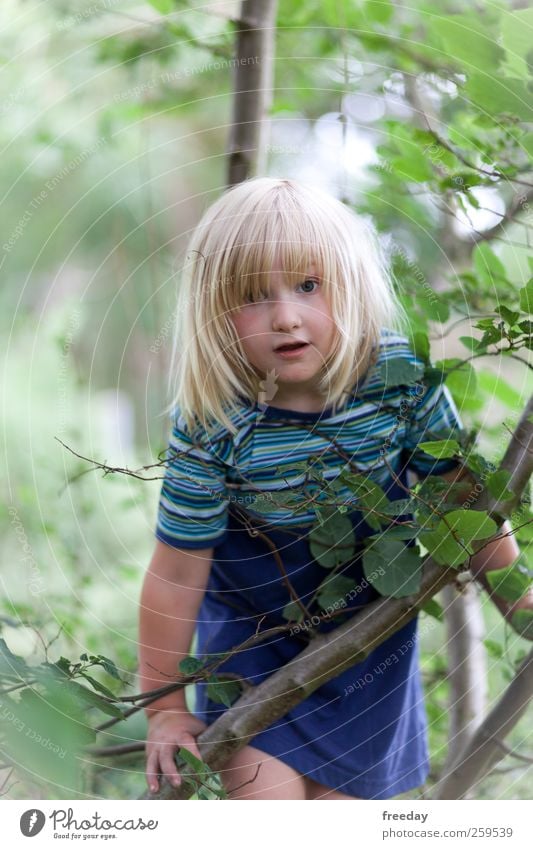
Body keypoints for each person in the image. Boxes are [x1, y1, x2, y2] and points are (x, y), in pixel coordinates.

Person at [138, 177, 532, 800]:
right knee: (264, 803)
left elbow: (460, 502)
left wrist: (520, 602)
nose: (286, 315)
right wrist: (163, 706)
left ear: (349, 286)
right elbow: (178, 570)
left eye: (308, 286)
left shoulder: (400, 381)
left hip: (363, 634)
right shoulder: (214, 421)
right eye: (252, 297)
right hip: (254, 640)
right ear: (214, 312)